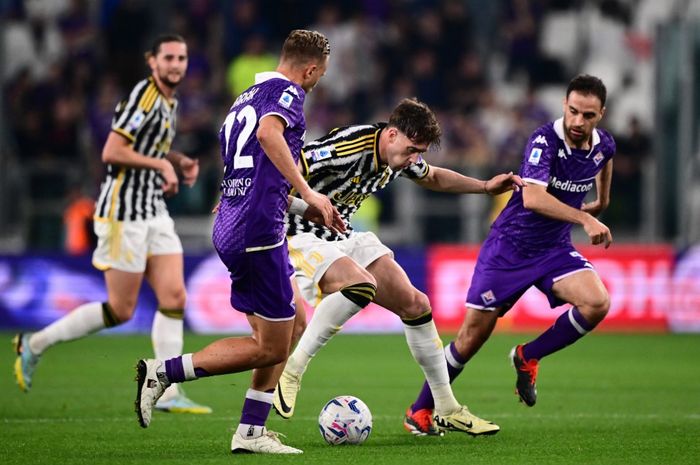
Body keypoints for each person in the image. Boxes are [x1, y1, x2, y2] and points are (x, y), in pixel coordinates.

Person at [134, 29, 338, 455]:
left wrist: (302, 208)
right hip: (257, 229)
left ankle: (250, 432)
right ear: (312, 68)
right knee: (270, 346)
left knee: (293, 324)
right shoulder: (288, 93)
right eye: (319, 74)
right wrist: (310, 191)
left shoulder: (244, 97)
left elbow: (251, 169)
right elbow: (268, 136)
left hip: (237, 220)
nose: (317, 82)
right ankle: (164, 372)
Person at [273, 97, 524, 436]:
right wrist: (245, 201)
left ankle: (446, 407)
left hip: (341, 235)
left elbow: (432, 177)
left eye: (418, 152)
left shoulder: (399, 158)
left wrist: (483, 187)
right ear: (391, 134)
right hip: (299, 234)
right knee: (361, 285)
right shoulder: (350, 146)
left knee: (417, 304)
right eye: (410, 150)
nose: (413, 159)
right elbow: (283, 169)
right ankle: (293, 370)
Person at [13, 33, 210, 414]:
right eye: (168, 57)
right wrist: (160, 165)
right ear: (151, 61)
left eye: (182, 58)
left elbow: (148, 145)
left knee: (174, 298)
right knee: (121, 309)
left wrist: (177, 159)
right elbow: (112, 150)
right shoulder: (144, 96)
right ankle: (33, 344)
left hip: (153, 209)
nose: (176, 65)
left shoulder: (170, 102)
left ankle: (166, 390)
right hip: (123, 213)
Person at [406, 74, 615, 423]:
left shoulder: (603, 143)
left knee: (597, 303)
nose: (579, 121)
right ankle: (420, 409)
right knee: (471, 338)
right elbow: (532, 198)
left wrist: (602, 202)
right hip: (510, 247)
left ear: (601, 114)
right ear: (564, 104)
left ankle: (528, 355)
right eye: (574, 111)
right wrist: (585, 218)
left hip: (553, 249)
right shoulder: (544, 141)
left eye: (588, 115)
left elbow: (605, 159)